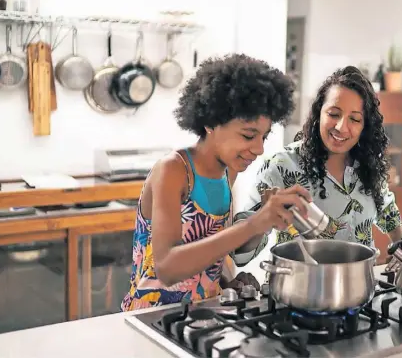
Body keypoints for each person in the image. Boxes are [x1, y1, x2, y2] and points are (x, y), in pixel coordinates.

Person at [121, 54, 311, 311]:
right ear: (211, 122)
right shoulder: (173, 171)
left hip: (202, 315)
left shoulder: (227, 173)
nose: (258, 148)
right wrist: (254, 223)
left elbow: (214, 251)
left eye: (263, 137)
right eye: (248, 135)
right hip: (151, 318)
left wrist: (229, 279)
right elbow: (167, 268)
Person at [243, 66, 402, 251]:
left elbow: (388, 213)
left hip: (359, 279)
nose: (342, 127)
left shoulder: (368, 165)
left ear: (364, 126)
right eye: (334, 114)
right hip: (299, 279)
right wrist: (262, 220)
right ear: (319, 113)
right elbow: (239, 253)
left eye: (355, 119)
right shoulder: (280, 167)